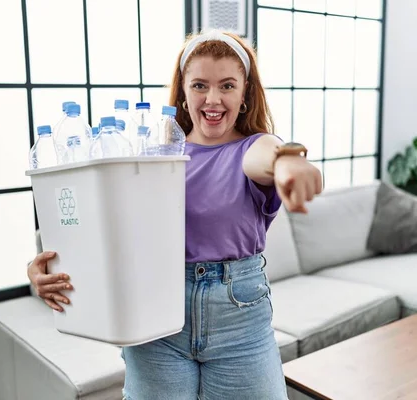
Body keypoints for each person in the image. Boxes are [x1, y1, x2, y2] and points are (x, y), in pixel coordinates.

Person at [27, 29, 322, 399]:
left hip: (238, 320)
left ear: (245, 92)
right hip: (155, 319)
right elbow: (97, 227)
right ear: (183, 91)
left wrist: (289, 163)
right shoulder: (151, 156)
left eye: (227, 86)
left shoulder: (253, 147)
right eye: (200, 85)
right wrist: (44, 270)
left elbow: (269, 155)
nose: (213, 99)